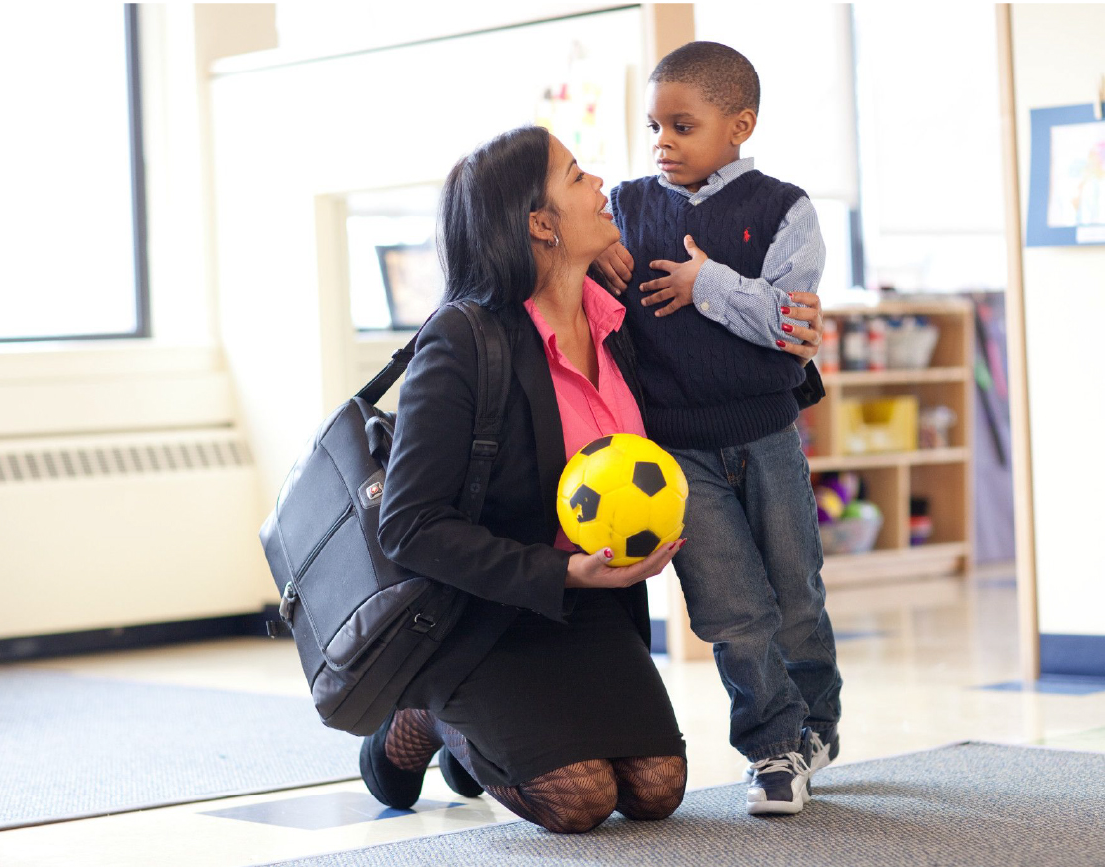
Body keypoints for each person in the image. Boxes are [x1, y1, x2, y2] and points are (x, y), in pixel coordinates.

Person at [360, 125, 690, 835]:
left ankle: (488, 738)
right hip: (485, 616)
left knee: (655, 789)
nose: (599, 184)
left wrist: (794, 330)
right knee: (580, 800)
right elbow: (409, 524)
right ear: (540, 223)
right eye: (576, 177)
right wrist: (562, 569)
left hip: (591, 608)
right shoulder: (461, 337)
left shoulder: (612, 319)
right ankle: (423, 713)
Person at [593, 41, 843, 816]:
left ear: (738, 125)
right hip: (673, 452)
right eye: (653, 126)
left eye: (682, 125)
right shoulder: (628, 208)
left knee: (794, 594)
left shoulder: (785, 209)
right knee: (731, 609)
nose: (662, 141)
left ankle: (816, 722)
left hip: (767, 436)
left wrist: (708, 284)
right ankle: (772, 745)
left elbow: (786, 323)